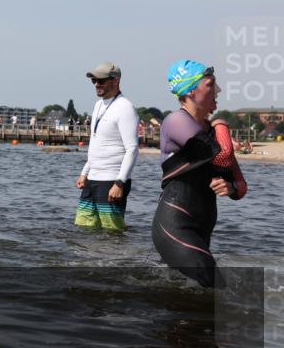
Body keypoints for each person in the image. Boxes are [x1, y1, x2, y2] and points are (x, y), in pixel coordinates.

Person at [152, 61, 247, 288]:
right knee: (213, 284)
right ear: (191, 91)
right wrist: (222, 123)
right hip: (175, 224)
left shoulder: (210, 132)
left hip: (202, 227)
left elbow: (241, 186)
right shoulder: (176, 121)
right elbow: (222, 155)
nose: (218, 90)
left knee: (199, 294)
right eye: (211, 84)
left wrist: (231, 187)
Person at [75, 63, 139, 230]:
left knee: (112, 231)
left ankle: (115, 257)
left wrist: (119, 183)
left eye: (101, 80)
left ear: (115, 80)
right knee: (84, 226)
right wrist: (85, 172)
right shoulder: (98, 105)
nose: (97, 84)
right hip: (93, 178)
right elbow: (97, 142)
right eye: (94, 80)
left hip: (112, 179)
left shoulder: (125, 108)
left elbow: (132, 149)